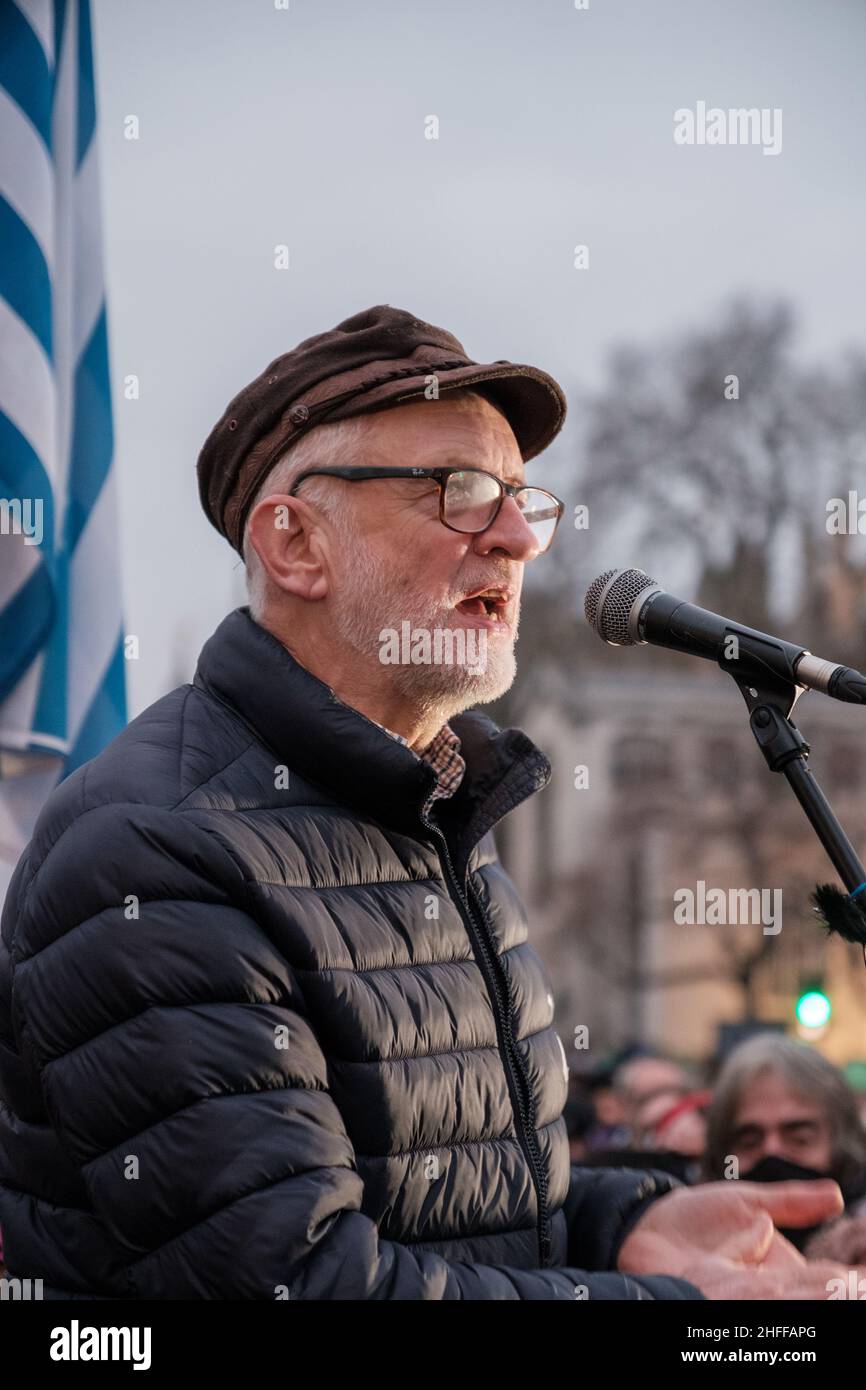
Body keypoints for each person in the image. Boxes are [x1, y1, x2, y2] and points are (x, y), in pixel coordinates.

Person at [0, 305, 856, 1299]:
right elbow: (302, 1281)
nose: (513, 541)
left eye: (518, 500)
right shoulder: (152, 853)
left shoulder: (443, 816)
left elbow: (460, 1212)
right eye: (456, 493)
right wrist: (687, 1312)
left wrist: (627, 1221)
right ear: (295, 546)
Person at [704, 1033, 866, 1260]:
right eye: (749, 1142)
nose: (771, 1152)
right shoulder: (692, 1252)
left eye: (800, 1139)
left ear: (840, 1151)